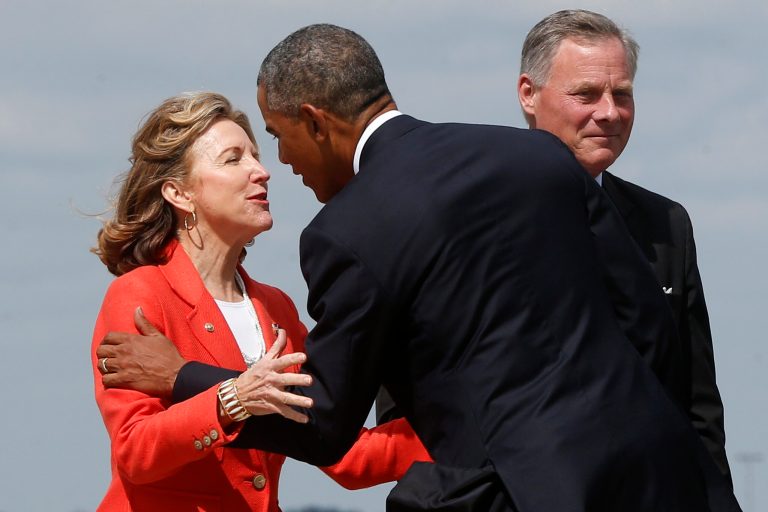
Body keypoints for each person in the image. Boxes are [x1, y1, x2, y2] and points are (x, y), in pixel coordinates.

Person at [98, 25, 740, 511]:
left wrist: (182, 376)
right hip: (659, 477)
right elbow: (649, 324)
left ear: (316, 122)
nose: (280, 163)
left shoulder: (346, 232)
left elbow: (325, 424)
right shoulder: (536, 156)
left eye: (277, 134)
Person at [90, 92, 429, 511]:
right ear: (179, 193)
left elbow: (345, 454)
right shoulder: (140, 294)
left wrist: (463, 428)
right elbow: (136, 453)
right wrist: (231, 398)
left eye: (255, 155)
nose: (262, 171)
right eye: (234, 159)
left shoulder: (276, 308)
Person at [513, 8, 731, 482]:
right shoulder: (466, 217)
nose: (610, 112)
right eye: (586, 94)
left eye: (623, 94)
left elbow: (697, 407)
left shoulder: (665, 224)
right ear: (529, 94)